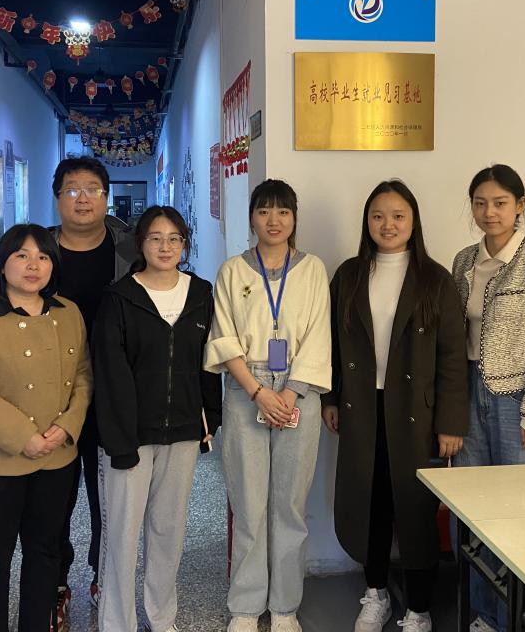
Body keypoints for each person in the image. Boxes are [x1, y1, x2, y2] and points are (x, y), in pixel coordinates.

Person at [322, 180, 469, 632]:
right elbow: (329, 343)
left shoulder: (435, 279)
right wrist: (331, 397)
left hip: (416, 412)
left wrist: (450, 422)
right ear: (367, 222)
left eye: (398, 216)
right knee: (370, 502)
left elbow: (452, 356)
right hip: (362, 405)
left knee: (416, 508)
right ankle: (376, 592)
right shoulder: (349, 274)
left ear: (413, 221)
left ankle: (419, 608)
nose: (388, 225)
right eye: (378, 216)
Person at [0, 224, 91, 632]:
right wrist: (23, 437)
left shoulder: (68, 313)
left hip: (55, 460)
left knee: (45, 554)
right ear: (2, 264)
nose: (33, 265)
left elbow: (83, 377)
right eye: (22, 256)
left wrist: (66, 426)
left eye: (43, 257)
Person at [204, 179, 332, 632]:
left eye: (282, 211)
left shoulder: (312, 269)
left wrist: (290, 393)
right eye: (264, 211)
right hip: (247, 389)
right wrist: (259, 392)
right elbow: (223, 337)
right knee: (248, 503)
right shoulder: (232, 271)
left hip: (299, 390)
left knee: (289, 506)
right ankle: (245, 606)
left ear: (294, 218)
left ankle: (284, 607)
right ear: (252, 218)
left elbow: (319, 334)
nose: (273, 220)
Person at [92, 206, 222, 632]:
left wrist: (210, 419)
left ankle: (162, 617)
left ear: (184, 244)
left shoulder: (200, 293)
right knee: (122, 534)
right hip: (129, 435)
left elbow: (208, 363)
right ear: (140, 243)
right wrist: (118, 440)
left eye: (174, 239)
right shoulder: (119, 298)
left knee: (168, 530)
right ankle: (118, 622)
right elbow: (109, 374)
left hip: (182, 431)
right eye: (155, 238)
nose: (165, 247)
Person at [451, 164, 525, 632]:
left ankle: (518, 620)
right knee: (475, 509)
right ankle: (483, 615)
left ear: (520, 205)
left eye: (500, 203)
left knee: (524, 512)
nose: (489, 212)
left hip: (517, 399)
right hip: (469, 393)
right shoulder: (464, 260)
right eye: (480, 203)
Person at [49, 156, 137, 629]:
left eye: (92, 189)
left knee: (110, 497)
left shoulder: (131, 248)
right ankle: (55, 583)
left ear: (106, 196)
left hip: (111, 393)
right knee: (53, 498)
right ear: (57, 198)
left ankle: (104, 578)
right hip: (52, 397)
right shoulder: (37, 250)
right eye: (71, 189)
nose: (82, 198)